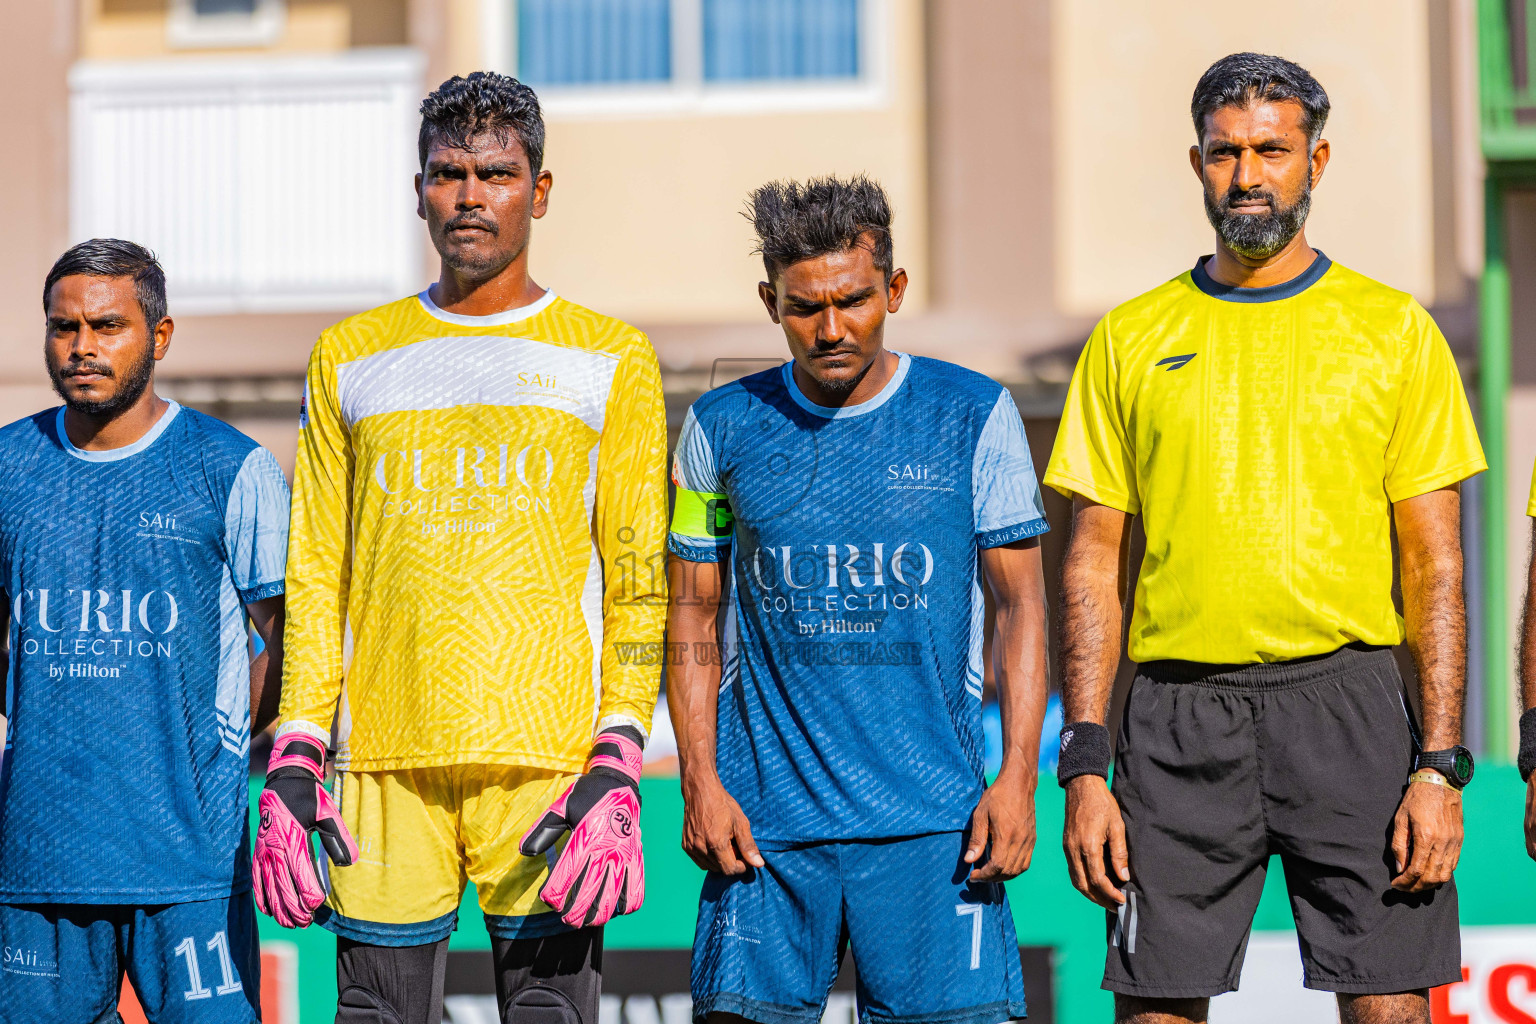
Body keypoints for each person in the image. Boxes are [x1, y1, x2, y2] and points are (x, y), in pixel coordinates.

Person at [1044, 53, 1484, 1024]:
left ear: (1316, 160)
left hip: (1350, 708)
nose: (1247, 175)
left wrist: (1439, 763)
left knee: (1391, 1007)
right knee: (1156, 1009)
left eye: (1272, 151)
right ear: (1196, 163)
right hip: (1175, 720)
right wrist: (1084, 765)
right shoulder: (1128, 337)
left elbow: (1436, 566)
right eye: (1225, 152)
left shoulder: (1394, 331)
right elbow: (1091, 564)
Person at [250, 72, 668, 1024]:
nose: (471, 195)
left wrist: (618, 751)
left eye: (497, 174)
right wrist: (296, 744)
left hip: (550, 765)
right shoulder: (349, 353)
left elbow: (639, 580)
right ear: (419, 192)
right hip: (380, 764)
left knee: (551, 1016)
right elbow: (317, 569)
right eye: (449, 174)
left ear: (540, 191)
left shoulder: (612, 355)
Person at [668, 175, 1050, 1024]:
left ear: (895, 290)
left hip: (937, 829)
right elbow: (691, 613)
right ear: (770, 302)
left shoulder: (975, 414)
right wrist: (699, 781)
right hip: (763, 834)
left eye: (854, 300)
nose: (832, 328)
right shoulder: (718, 426)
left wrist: (1019, 778)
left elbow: (1023, 608)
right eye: (805, 307)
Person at [0, 239, 289, 1023]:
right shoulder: (8, 466)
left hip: (190, 862)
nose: (81, 346)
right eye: (63, 327)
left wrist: (214, 750)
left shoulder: (231, 466)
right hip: (37, 860)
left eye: (107, 326)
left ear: (159, 337)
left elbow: (287, 639)